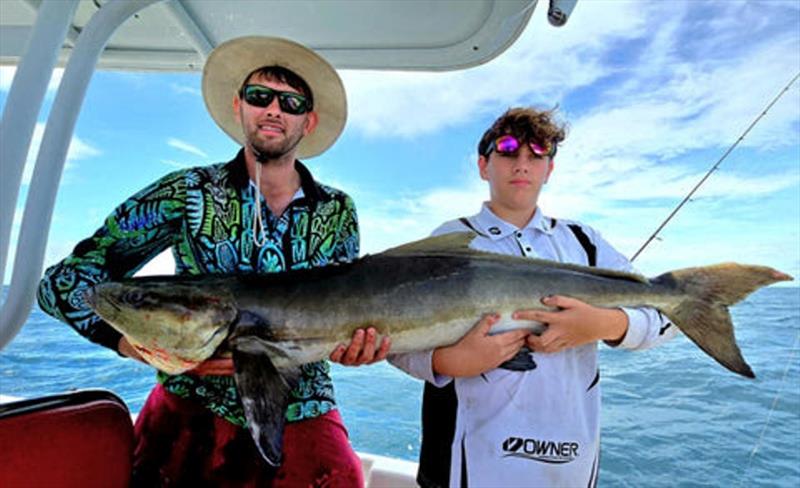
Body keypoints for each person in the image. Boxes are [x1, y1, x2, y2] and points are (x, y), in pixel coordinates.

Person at [37, 36, 388, 487]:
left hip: (303, 404)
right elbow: (62, 282)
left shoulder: (337, 210)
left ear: (309, 120)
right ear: (239, 106)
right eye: (260, 97)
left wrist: (359, 349)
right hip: (189, 403)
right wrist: (132, 345)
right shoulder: (186, 192)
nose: (274, 110)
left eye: (291, 101)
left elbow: (344, 310)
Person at [388, 107, 679, 487]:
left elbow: (669, 315)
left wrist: (604, 323)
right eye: (507, 150)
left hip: (568, 464)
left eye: (536, 153)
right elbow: (392, 336)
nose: (521, 163)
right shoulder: (448, 242)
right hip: (466, 466)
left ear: (549, 170)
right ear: (483, 165)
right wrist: (446, 361)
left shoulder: (584, 243)